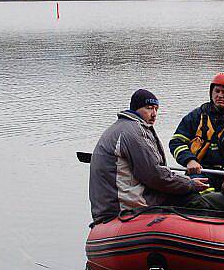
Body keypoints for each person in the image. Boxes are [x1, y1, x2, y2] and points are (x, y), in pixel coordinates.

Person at [88, 88, 209, 223]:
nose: (154, 114)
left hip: (106, 207)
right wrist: (189, 184)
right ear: (136, 109)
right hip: (124, 207)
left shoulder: (120, 128)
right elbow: (154, 175)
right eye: (149, 108)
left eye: (156, 109)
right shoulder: (133, 132)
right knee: (194, 200)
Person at [169, 72, 224, 189]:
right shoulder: (196, 116)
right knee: (193, 198)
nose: (220, 95)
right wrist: (189, 160)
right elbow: (176, 142)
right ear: (211, 92)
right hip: (201, 171)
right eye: (217, 91)